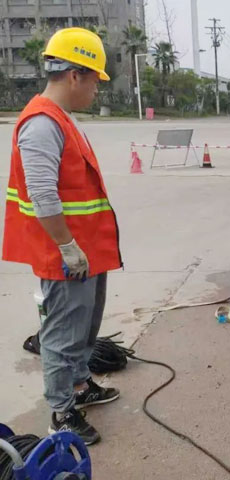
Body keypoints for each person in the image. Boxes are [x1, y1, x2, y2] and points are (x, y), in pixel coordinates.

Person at [2, 28, 121, 445]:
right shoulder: (41, 124)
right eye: (94, 81)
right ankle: (61, 412)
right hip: (66, 255)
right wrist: (68, 248)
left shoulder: (60, 120)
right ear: (75, 75)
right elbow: (42, 194)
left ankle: (80, 385)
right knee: (62, 337)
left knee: (85, 329)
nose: (96, 91)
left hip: (88, 251)